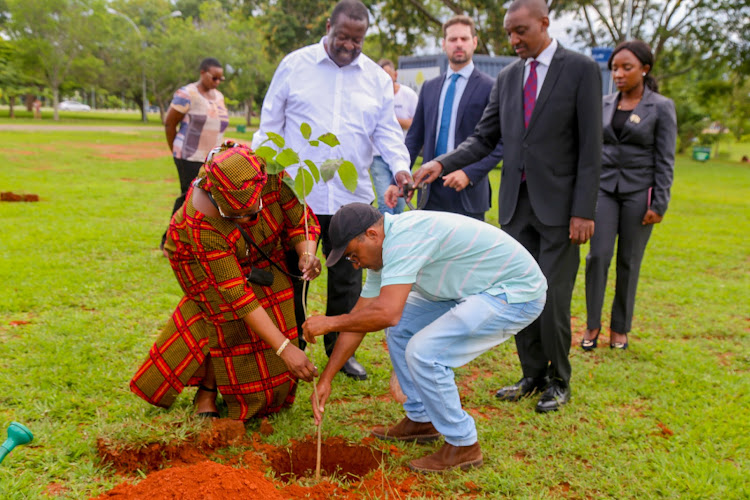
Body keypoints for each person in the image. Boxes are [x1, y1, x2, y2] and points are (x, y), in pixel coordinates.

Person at [413, 0, 602, 412]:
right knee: (516, 293)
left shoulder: (581, 69)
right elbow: (483, 139)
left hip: (562, 208)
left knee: (553, 297)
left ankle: (558, 380)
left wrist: (584, 210)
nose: (514, 40)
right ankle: (532, 373)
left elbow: (592, 145)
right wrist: (440, 163)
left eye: (521, 31)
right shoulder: (509, 77)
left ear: (544, 23)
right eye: (509, 33)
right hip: (516, 206)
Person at [302, 203, 547, 472]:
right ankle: (421, 419)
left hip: (515, 293)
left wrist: (330, 322)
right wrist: (327, 378)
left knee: (424, 352)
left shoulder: (405, 240)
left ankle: (463, 445)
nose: (355, 264)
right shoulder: (384, 250)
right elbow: (363, 319)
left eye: (352, 255)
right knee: (401, 329)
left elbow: (387, 312)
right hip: (474, 289)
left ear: (372, 235)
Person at [252, 0, 414, 381]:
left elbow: (387, 132)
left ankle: (339, 351)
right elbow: (269, 124)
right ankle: (293, 345)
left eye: (357, 40)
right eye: (343, 36)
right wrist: (264, 170)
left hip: (350, 197)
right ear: (329, 26)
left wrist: (402, 168)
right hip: (296, 194)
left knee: (347, 279)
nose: (349, 46)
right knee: (291, 272)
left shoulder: (375, 77)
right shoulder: (295, 65)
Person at [131, 143, 321, 420]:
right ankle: (207, 391)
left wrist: (306, 254)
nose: (245, 220)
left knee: (277, 304)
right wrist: (285, 349)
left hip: (260, 250)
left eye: (251, 213)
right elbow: (237, 296)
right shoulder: (201, 221)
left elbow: (299, 220)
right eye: (234, 216)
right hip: (193, 259)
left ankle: (270, 396)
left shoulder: (272, 177)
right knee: (224, 316)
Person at [582, 40, 676, 351]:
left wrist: (659, 202)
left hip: (639, 193)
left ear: (644, 69)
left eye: (626, 68)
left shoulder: (661, 107)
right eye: (614, 69)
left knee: (629, 261)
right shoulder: (605, 103)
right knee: (598, 257)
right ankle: (592, 324)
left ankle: (620, 328)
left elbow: (665, 158)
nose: (619, 74)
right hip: (605, 190)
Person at [402, 15, 503, 220]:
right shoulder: (430, 87)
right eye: (453, 39)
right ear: (443, 44)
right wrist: (403, 175)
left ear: (474, 42)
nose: (459, 44)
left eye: (464, 39)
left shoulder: (491, 87)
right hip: (430, 190)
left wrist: (470, 173)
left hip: (468, 191)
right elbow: (414, 138)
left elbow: (501, 143)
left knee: (468, 253)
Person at [161, 57, 229, 253]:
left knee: (205, 199)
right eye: (213, 78)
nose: (216, 82)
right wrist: (175, 149)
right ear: (202, 73)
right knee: (188, 197)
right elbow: (169, 123)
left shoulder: (219, 97)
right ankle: (169, 241)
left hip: (210, 158)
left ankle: (194, 240)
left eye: (220, 79)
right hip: (188, 155)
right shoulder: (187, 93)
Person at [370, 58, 418, 215]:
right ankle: (384, 236)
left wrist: (391, 120)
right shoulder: (373, 96)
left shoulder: (408, 95)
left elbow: (416, 124)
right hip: (378, 156)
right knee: (385, 202)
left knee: (400, 201)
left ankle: (396, 233)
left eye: (388, 76)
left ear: (395, 75)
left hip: (402, 155)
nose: (385, 80)